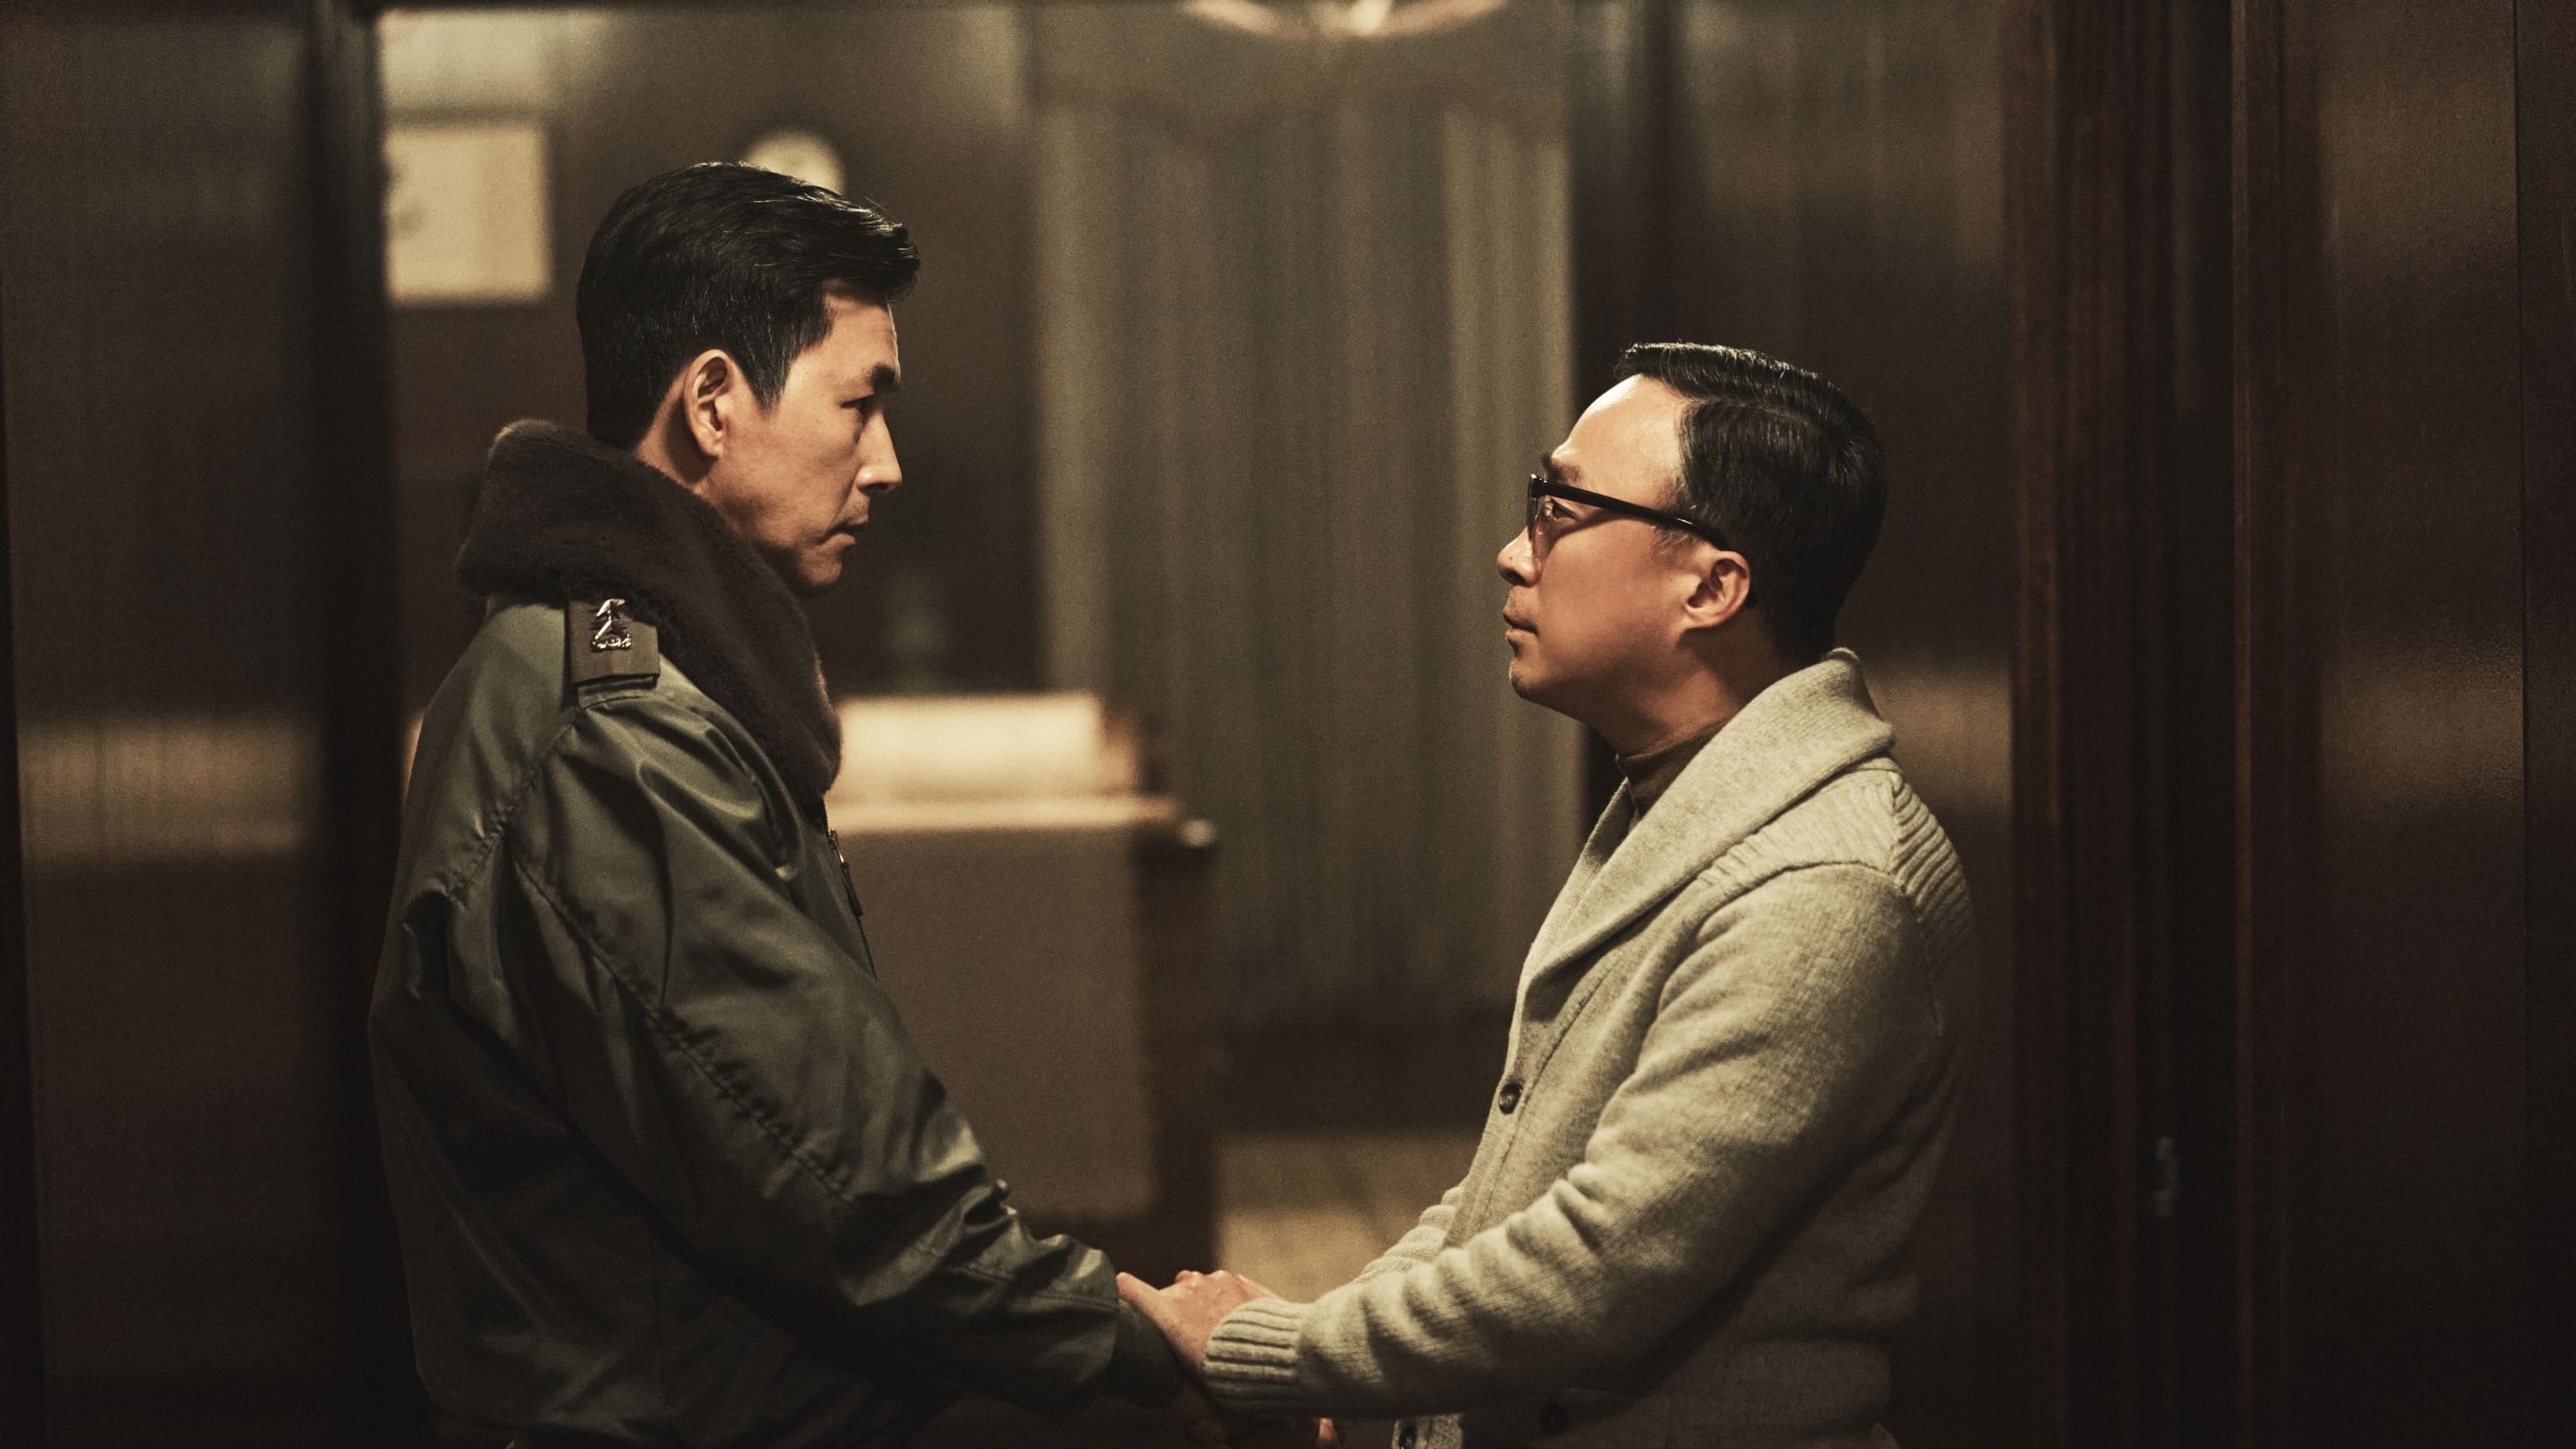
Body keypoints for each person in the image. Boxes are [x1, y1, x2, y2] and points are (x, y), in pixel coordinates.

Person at [369, 163, 1208, 1446]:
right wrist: (1141, 1341)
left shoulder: (611, 663)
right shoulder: (613, 733)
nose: (888, 464)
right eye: (859, 406)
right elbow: (841, 1177)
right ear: (713, 402)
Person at [1123, 343, 1976, 1449]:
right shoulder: (1688, 784)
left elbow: (1599, 1264)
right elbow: (1517, 1180)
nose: (1512, 553)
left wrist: (1280, 1350)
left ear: (1711, 587)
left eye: (1560, 510)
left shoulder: (1827, 883)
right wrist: (1334, 1351)